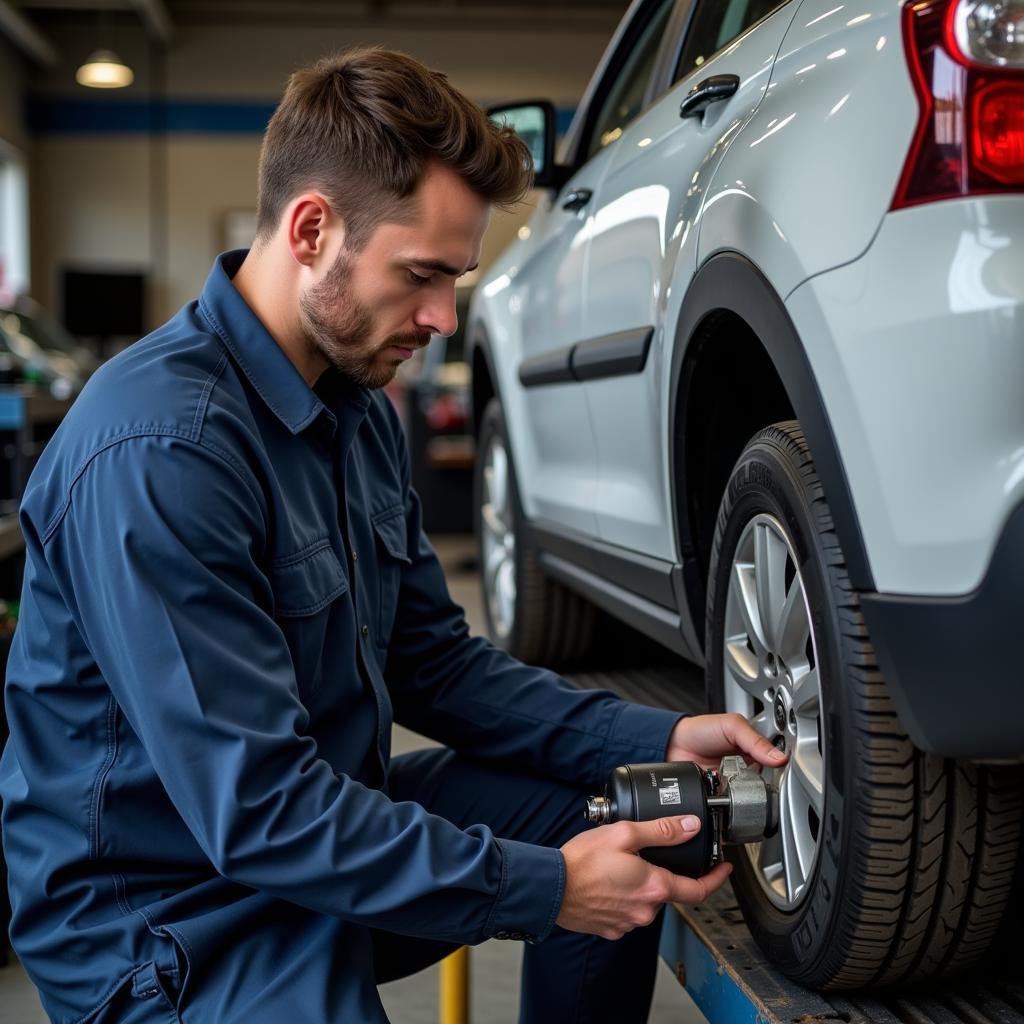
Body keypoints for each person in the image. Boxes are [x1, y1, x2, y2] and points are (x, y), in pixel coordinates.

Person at [0, 48, 787, 1024]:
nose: (440, 318)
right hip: (172, 925)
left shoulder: (358, 409)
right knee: (564, 873)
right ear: (312, 228)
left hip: (306, 838)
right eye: (420, 275)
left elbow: (435, 663)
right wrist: (545, 887)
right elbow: (260, 811)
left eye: (455, 280)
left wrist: (657, 732)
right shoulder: (158, 451)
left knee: (644, 815)